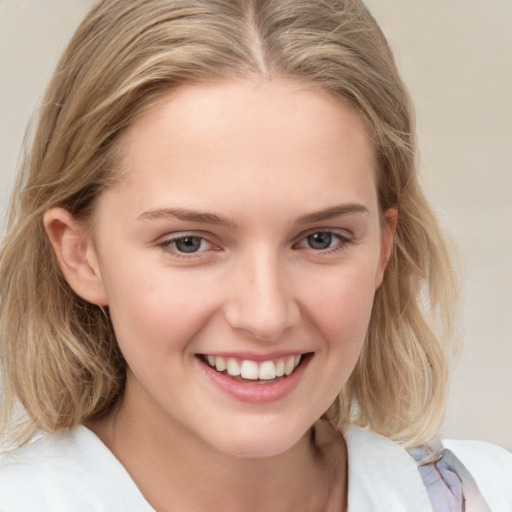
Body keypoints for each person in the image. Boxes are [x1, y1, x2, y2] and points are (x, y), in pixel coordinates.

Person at [0, 0, 510, 510]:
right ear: (81, 255)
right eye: (189, 243)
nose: (265, 316)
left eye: (321, 239)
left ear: (383, 246)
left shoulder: (489, 492)